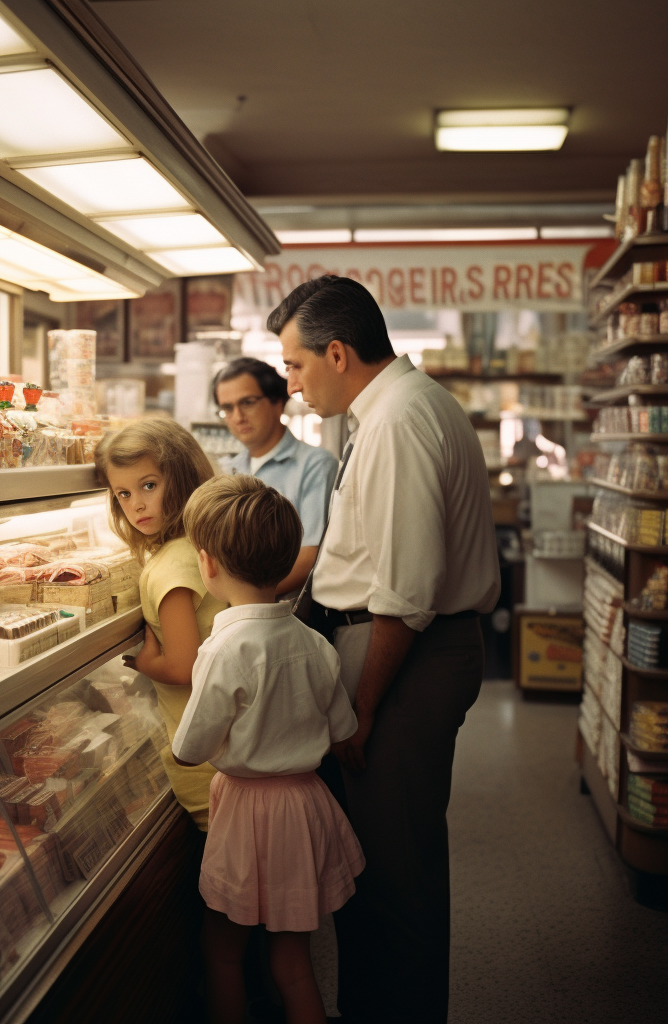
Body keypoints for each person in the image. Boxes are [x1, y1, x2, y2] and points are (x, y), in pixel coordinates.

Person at [272, 275, 501, 1024]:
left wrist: (361, 710)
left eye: (296, 366)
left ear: (337, 353)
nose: (292, 385)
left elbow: (405, 592)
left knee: (393, 874)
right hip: (395, 652)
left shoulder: (400, 420)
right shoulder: (398, 407)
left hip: (402, 661)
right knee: (378, 865)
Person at [172, 474, 363, 1024]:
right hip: (304, 805)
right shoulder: (314, 643)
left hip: (248, 813)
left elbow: (190, 748)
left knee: (224, 951)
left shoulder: (223, 648)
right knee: (294, 962)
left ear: (206, 565)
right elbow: (342, 728)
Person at [93, 419, 224, 832]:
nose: (136, 505)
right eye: (124, 493)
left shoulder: (169, 566)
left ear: (183, 478)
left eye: (149, 485)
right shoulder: (200, 546)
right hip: (229, 748)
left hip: (208, 765)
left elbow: (184, 667)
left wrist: (144, 664)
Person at [214, 356, 337, 595]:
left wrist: (246, 601)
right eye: (227, 408)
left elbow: (309, 558)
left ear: (277, 402)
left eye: (247, 403)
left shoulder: (315, 465)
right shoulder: (227, 470)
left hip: (289, 618)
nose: (238, 417)